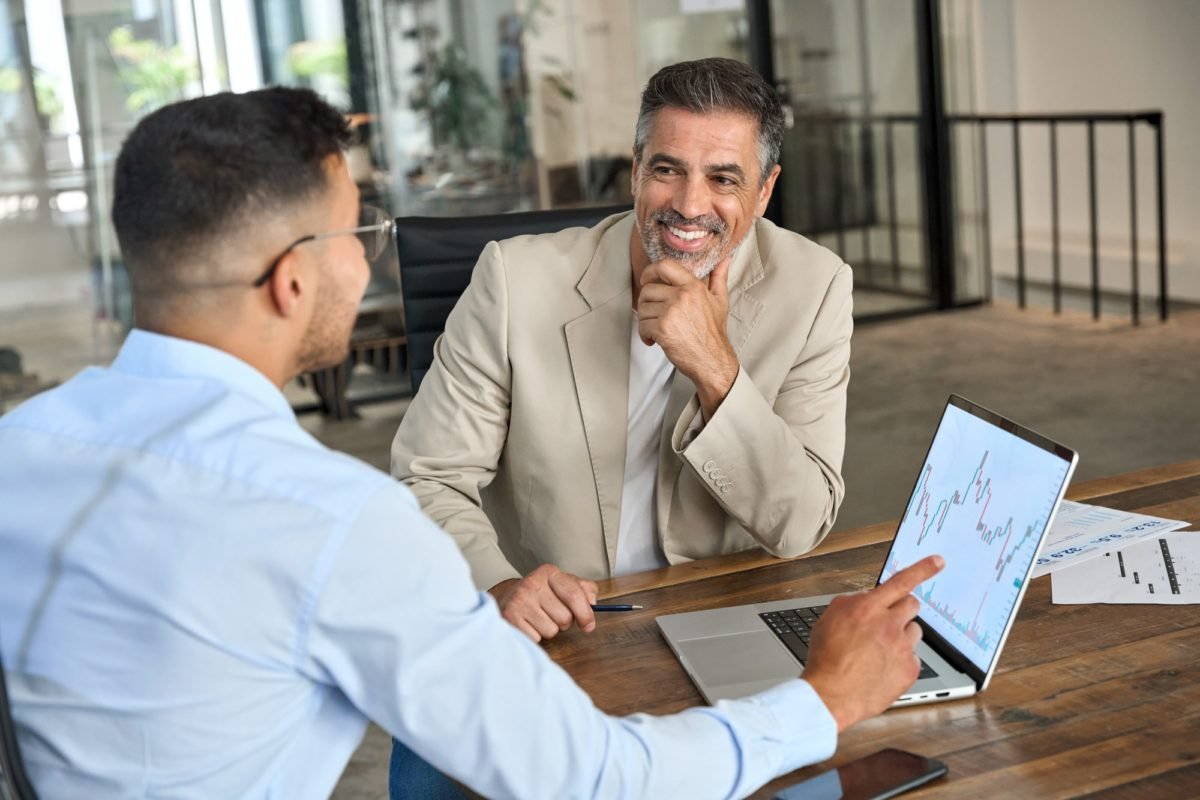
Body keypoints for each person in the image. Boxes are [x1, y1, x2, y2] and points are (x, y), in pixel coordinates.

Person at [0, 87, 942, 799]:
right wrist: (824, 701)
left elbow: (799, 518)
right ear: (292, 282)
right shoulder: (333, 521)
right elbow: (593, 779)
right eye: (357, 231)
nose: (369, 257)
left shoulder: (20, 447)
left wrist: (715, 368)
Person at [393, 57, 855, 644]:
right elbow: (427, 478)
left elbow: (799, 525)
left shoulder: (815, 287)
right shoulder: (515, 280)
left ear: (764, 191)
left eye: (723, 179)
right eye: (667, 169)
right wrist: (498, 586)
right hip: (562, 627)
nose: (690, 205)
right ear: (636, 171)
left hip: (723, 617)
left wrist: (715, 369)